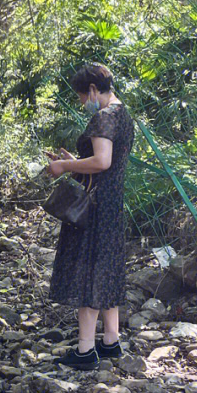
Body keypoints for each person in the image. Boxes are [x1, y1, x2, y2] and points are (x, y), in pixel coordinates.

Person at [46, 62, 134, 368]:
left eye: (83, 96)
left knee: (88, 272)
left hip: (94, 205)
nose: (83, 102)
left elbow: (102, 162)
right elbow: (102, 159)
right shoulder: (123, 114)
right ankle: (111, 341)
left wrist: (64, 167)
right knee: (106, 267)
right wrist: (76, 160)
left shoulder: (104, 116)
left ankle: (84, 350)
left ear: (94, 90)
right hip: (112, 203)